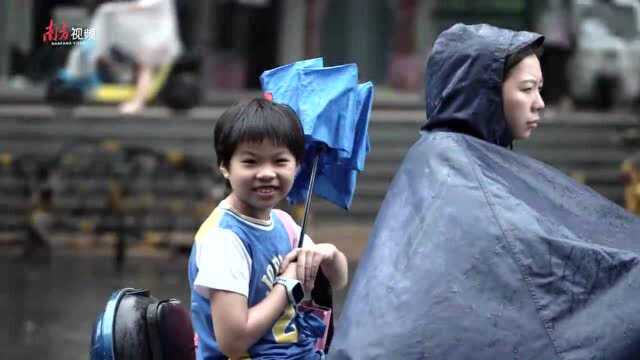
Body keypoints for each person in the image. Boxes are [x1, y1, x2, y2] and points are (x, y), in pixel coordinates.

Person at [330, 24, 640, 359]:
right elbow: (530, 247)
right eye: (526, 89)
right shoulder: (455, 167)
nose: (539, 104)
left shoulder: (451, 156)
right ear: (485, 93)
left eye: (539, 89)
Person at [188, 98, 349, 359]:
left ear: (296, 166)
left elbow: (337, 280)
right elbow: (233, 341)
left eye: (279, 161)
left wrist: (329, 254)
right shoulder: (225, 239)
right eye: (250, 162)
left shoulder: (283, 224)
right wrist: (286, 285)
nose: (266, 173)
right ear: (225, 167)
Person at [61, 0, 182, 114]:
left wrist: (113, 10)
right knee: (106, 44)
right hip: (145, 33)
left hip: (158, 38)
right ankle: (96, 74)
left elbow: (140, 7)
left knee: (145, 67)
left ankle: (138, 102)